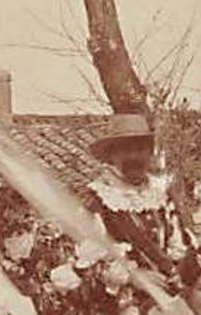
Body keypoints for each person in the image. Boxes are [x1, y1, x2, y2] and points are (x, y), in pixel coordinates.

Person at [82, 114, 194, 280]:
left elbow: (179, 244)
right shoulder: (99, 200)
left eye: (140, 149)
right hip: (123, 297)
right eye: (126, 150)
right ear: (112, 155)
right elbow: (89, 262)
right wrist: (135, 278)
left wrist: (179, 271)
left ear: (150, 153)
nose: (134, 157)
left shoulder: (160, 193)